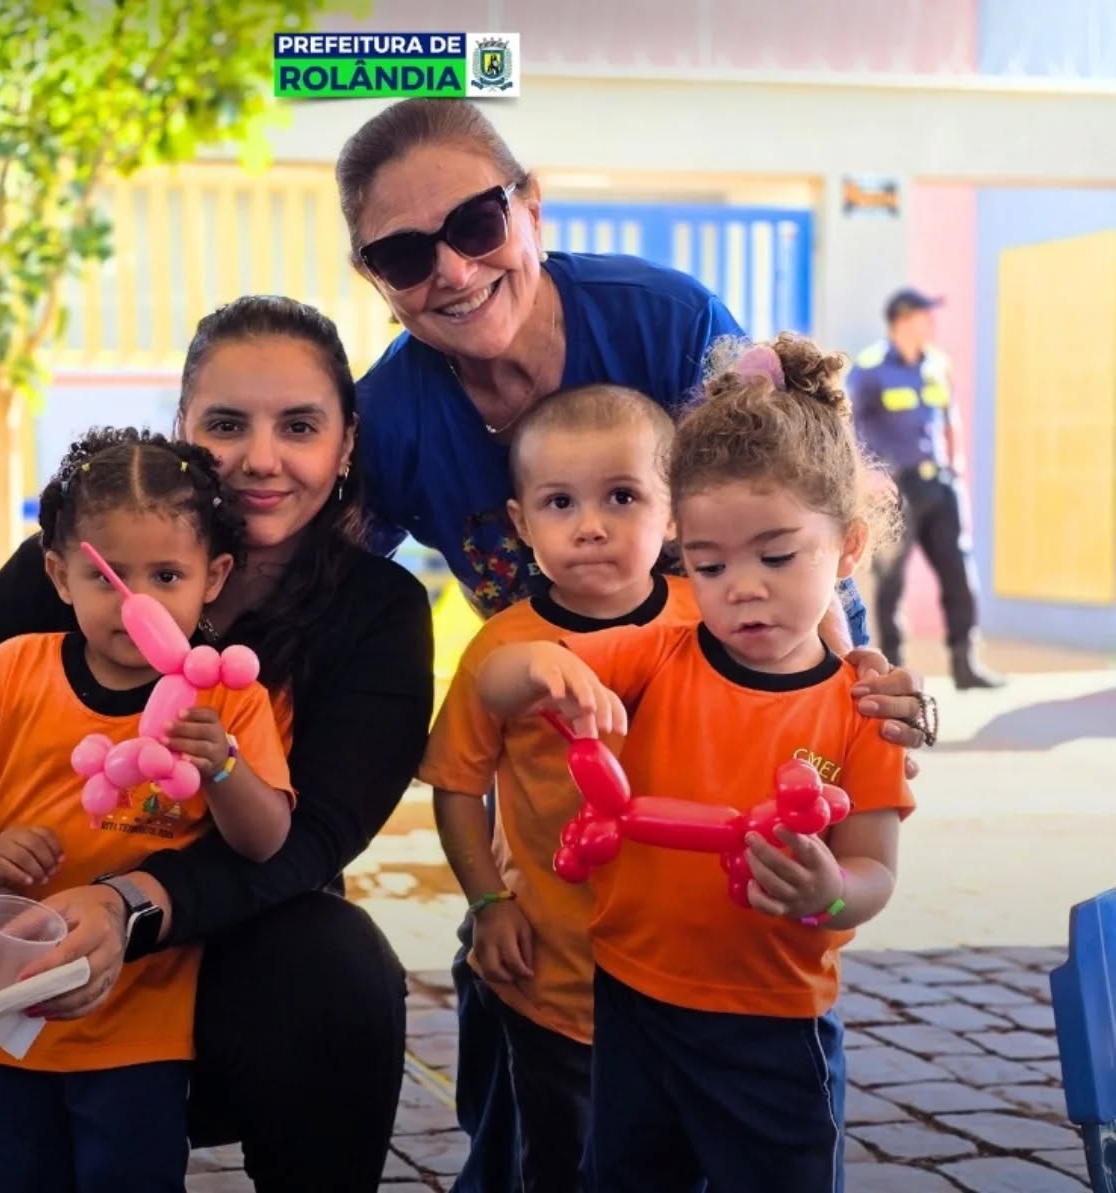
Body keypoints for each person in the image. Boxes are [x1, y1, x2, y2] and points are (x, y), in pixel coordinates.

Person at [337, 97, 930, 1191]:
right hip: (555, 818)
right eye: (405, 254)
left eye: (475, 223)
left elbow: (788, 489)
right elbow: (322, 581)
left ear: (530, 206)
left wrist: (851, 680)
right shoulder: (398, 419)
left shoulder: (663, 322)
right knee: (537, 1118)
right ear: (373, 276)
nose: (453, 270)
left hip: (714, 806)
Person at [0, 296, 434, 1193]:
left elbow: (309, 841)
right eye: (226, 424)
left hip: (227, 950)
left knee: (342, 963)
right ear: (184, 428)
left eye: (300, 426)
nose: (261, 458)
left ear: (345, 443)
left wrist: (130, 905)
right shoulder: (69, 571)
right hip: (24, 940)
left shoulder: (378, 614)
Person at [477, 334, 921, 1193]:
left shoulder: (861, 709)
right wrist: (541, 666)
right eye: (710, 565)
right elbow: (497, 687)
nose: (742, 586)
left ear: (849, 547)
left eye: (777, 556)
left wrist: (828, 890)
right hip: (632, 1000)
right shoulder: (658, 654)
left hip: (773, 1022)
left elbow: (875, 871)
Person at [0, 430, 294, 1192]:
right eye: (108, 576)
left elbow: (265, 840)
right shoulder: (10, 671)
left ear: (214, 577)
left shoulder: (228, 699)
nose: (136, 603)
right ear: (60, 574)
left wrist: (222, 766)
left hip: (138, 1026)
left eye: (167, 575)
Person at [422, 383, 699, 1191]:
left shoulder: (708, 620)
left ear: (674, 513)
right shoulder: (501, 648)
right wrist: (487, 902)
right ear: (520, 522)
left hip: (689, 973)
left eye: (623, 496)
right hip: (554, 974)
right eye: (559, 502)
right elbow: (456, 786)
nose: (590, 525)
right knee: (559, 1161)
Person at [848, 288, 1003, 689]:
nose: (932, 323)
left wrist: (955, 467)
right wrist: (869, 475)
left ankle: (965, 663)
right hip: (895, 490)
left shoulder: (936, 364)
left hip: (939, 484)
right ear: (902, 321)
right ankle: (894, 666)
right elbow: (848, 425)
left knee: (959, 572)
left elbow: (949, 417)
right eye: (924, 315)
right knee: (891, 581)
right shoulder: (870, 369)